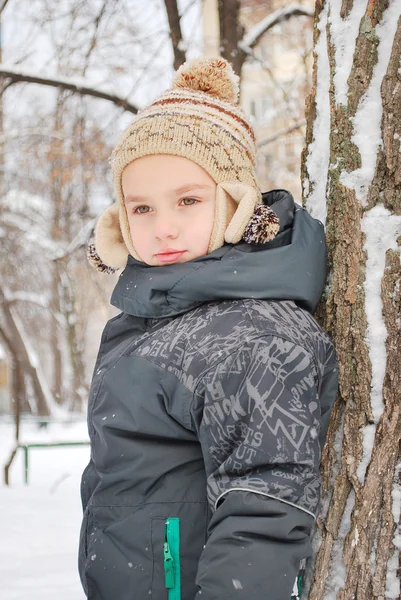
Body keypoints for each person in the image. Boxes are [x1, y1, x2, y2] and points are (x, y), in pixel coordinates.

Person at [79, 57, 338, 600]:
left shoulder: (254, 335)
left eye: (189, 200)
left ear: (236, 199)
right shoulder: (154, 321)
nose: (163, 227)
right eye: (142, 208)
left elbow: (266, 502)